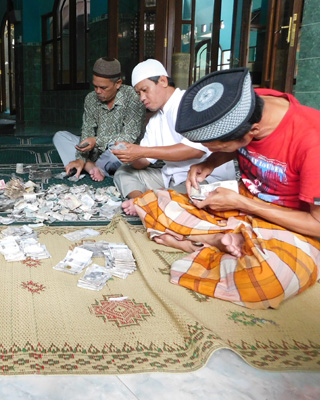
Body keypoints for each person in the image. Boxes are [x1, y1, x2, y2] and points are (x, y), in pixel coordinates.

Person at [132, 67, 320, 309]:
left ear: (252, 133)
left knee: (265, 282)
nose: (217, 152)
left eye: (218, 148)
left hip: (292, 222)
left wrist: (242, 203)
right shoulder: (244, 102)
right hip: (246, 204)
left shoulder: (312, 142)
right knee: (152, 202)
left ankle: (210, 242)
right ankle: (223, 240)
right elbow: (232, 145)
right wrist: (208, 163)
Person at [112, 59, 235, 215]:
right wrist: (128, 154)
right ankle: (142, 202)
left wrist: (141, 151)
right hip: (171, 177)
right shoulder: (156, 119)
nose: (142, 98)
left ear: (163, 81)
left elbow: (195, 150)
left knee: (192, 194)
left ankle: (153, 203)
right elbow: (142, 163)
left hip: (205, 178)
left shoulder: (190, 104)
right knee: (124, 172)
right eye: (138, 93)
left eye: (145, 90)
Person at [52, 57, 145, 182]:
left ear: (118, 83)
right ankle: (89, 166)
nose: (98, 91)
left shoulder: (133, 98)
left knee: (121, 148)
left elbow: (129, 136)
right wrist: (81, 157)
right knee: (60, 137)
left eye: (103, 88)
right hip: (95, 152)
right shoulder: (90, 98)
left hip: (117, 153)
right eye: (95, 86)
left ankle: (95, 167)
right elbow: (87, 129)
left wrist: (96, 141)